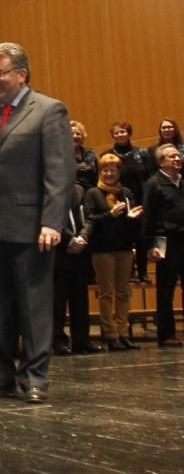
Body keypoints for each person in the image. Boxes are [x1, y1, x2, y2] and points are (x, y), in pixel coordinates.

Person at [0, 42, 75, 405]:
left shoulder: (48, 110)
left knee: (33, 306)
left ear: (21, 74)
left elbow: (59, 173)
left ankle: (35, 377)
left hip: (31, 228)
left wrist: (52, 221)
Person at [84, 153, 143, 351]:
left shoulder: (125, 192)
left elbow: (129, 219)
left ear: (119, 172)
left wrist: (132, 217)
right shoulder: (93, 193)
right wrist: (110, 214)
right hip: (103, 250)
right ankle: (110, 335)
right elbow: (90, 219)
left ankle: (123, 332)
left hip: (124, 248)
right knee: (107, 293)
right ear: (100, 172)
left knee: (124, 292)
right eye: (105, 170)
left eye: (113, 170)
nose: (109, 173)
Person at [141, 143, 184, 348]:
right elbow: (149, 216)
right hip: (166, 242)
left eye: (178, 156)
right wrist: (151, 245)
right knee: (166, 290)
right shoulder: (154, 183)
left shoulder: (182, 181)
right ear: (161, 162)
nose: (177, 159)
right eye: (172, 157)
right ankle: (166, 334)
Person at [52, 183, 100, 355]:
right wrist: (70, 240)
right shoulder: (50, 188)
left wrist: (83, 236)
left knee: (80, 299)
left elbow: (88, 218)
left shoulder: (79, 190)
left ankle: (82, 340)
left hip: (81, 250)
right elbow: (50, 218)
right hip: (59, 250)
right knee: (58, 300)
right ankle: (58, 340)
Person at [103, 121, 150, 282]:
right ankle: (129, 272)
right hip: (117, 200)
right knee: (126, 237)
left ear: (129, 133)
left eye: (123, 131)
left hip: (138, 199)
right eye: (117, 132)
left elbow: (147, 177)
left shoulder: (141, 153)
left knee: (141, 237)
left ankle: (143, 272)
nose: (120, 135)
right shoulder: (107, 154)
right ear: (113, 135)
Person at [72, 120, 97, 189]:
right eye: (72, 134)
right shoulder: (61, 156)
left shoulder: (90, 154)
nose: (75, 136)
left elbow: (96, 175)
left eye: (78, 134)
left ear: (82, 137)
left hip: (90, 190)